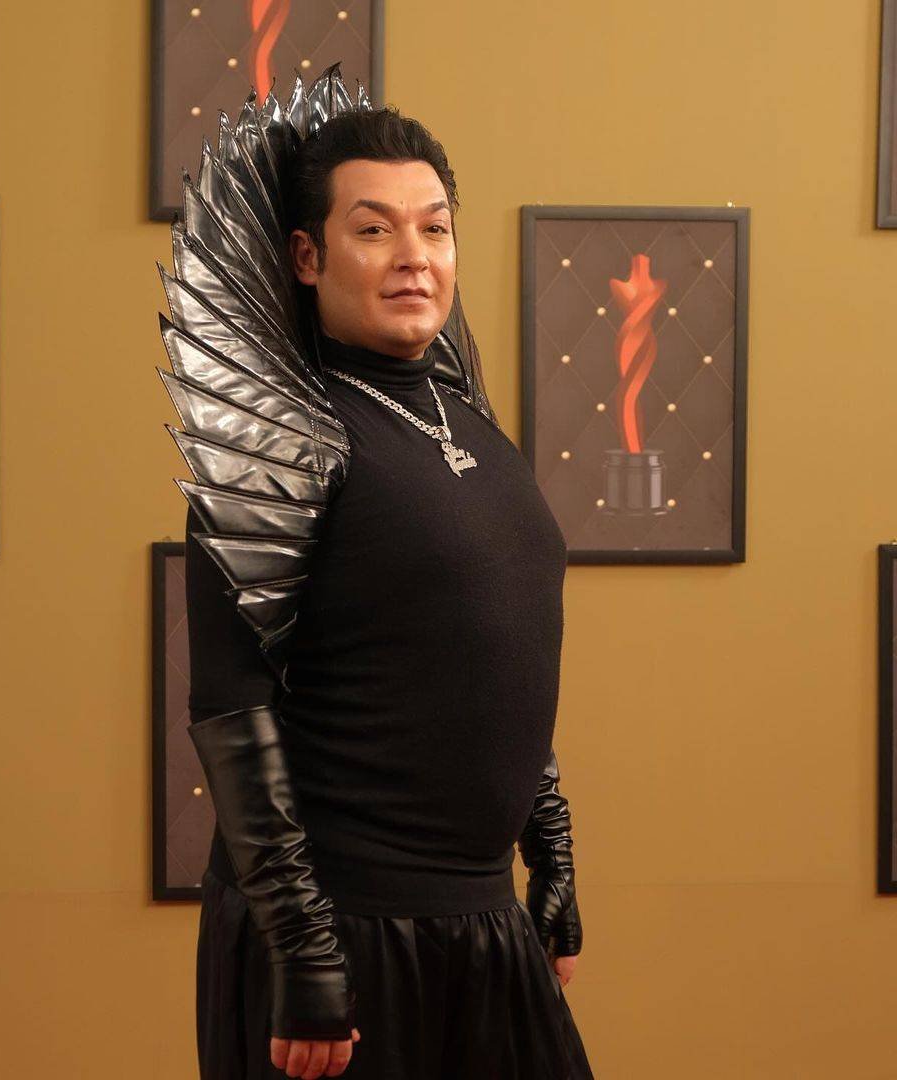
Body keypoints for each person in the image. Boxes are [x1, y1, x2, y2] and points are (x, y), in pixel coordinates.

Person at [161, 63, 594, 1079]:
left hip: (479, 920)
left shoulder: (469, 422)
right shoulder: (275, 447)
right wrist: (302, 951)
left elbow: (486, 662)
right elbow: (231, 707)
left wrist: (551, 847)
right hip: (340, 932)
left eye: (434, 228)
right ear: (307, 257)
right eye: (374, 229)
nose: (413, 257)